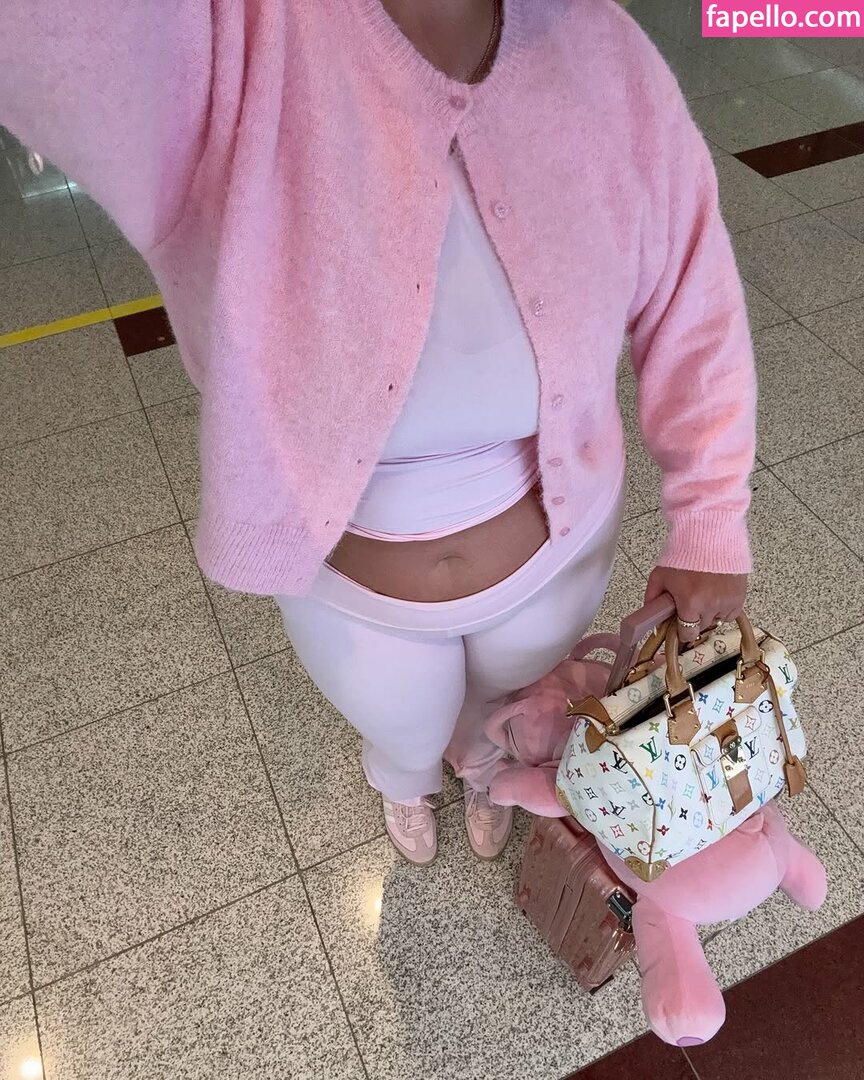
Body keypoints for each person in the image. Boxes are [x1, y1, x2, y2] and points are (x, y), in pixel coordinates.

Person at [0, 0, 755, 866]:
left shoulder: (604, 51)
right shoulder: (225, 42)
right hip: (352, 588)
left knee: (506, 707)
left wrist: (710, 515)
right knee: (405, 732)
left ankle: (486, 772)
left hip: (559, 550)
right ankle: (403, 778)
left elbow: (691, 291)